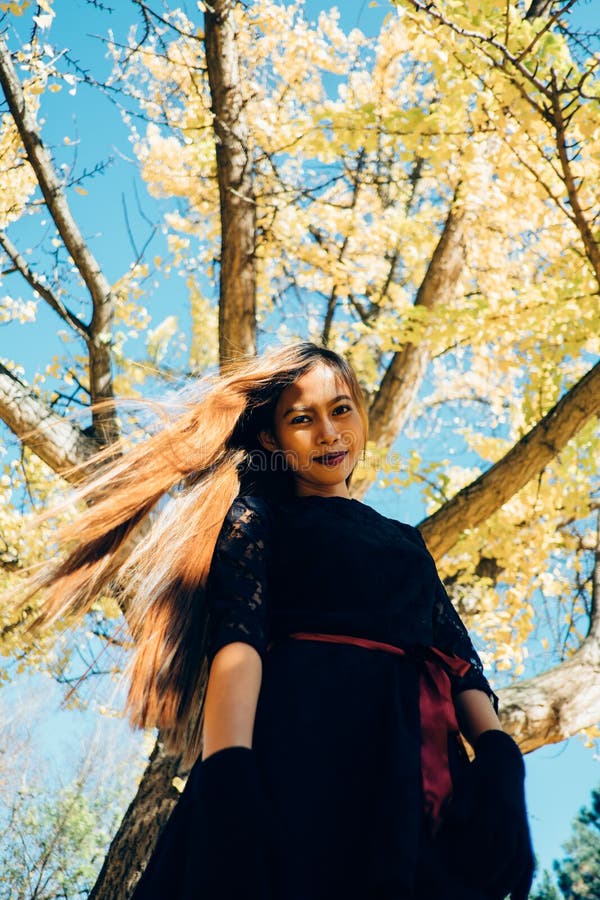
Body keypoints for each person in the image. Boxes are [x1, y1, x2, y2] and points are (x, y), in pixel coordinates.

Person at [22, 341, 534, 900]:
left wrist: (500, 764)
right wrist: (228, 769)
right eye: (301, 419)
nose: (329, 432)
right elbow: (239, 640)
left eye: (341, 409)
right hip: (299, 748)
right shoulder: (258, 517)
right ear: (270, 439)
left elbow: (457, 659)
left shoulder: (407, 542)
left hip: (412, 770)